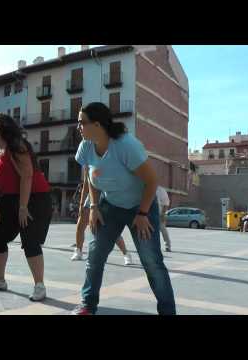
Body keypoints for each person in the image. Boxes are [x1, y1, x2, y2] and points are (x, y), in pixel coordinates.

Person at [72, 102, 175, 315]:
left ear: (98, 125)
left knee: (152, 261)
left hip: (141, 206)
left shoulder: (125, 145)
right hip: (110, 205)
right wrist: (93, 206)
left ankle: (168, 312)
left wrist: (143, 213)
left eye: (82, 122)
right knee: (95, 255)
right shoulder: (86, 146)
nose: (78, 127)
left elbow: (152, 181)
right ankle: (87, 305)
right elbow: (91, 178)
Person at [0, 113, 52, 302]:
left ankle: (39, 286)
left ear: (1, 126)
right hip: (9, 197)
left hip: (35, 197)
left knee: (29, 239)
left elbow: (27, 176)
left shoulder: (17, 147)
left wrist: (23, 207)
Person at [72, 179, 132, 265]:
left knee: (110, 229)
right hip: (92, 196)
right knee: (80, 224)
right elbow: (86, 183)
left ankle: (126, 254)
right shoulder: (87, 166)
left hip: (106, 195)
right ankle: (78, 251)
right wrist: (81, 204)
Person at [156, 186, 172, 252]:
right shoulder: (145, 187)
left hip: (159, 214)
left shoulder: (161, 190)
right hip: (148, 214)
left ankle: (167, 245)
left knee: (163, 230)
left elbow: (166, 203)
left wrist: (163, 214)